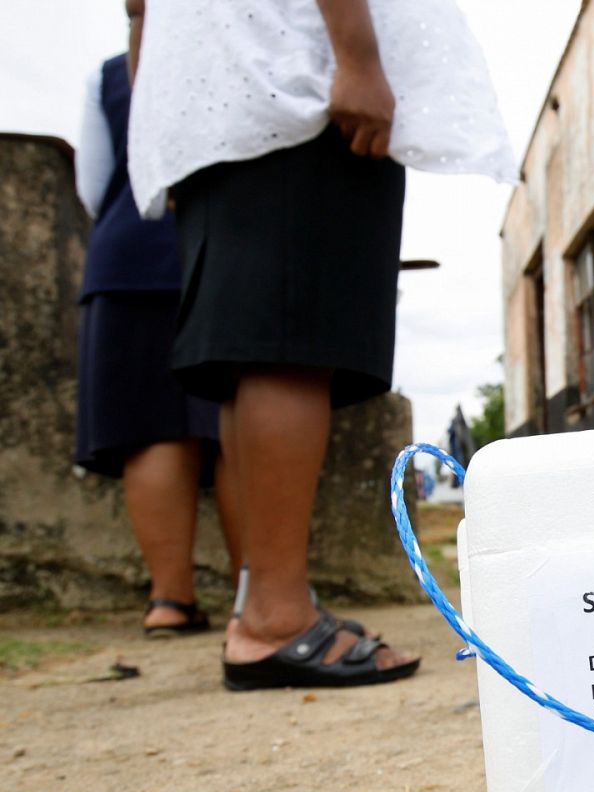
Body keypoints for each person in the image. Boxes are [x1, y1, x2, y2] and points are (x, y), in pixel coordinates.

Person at [127, 0, 516, 687]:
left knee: (253, 353)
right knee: (290, 344)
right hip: (294, 81)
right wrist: (358, 58)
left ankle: (267, 601)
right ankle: (275, 617)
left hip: (214, 97)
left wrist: (157, 120)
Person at [74, 20, 240, 638]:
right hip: (220, 247)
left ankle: (169, 599)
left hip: (130, 255)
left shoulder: (111, 74)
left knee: (152, 431)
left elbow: (93, 185)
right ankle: (257, 588)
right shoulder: (235, 50)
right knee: (233, 426)